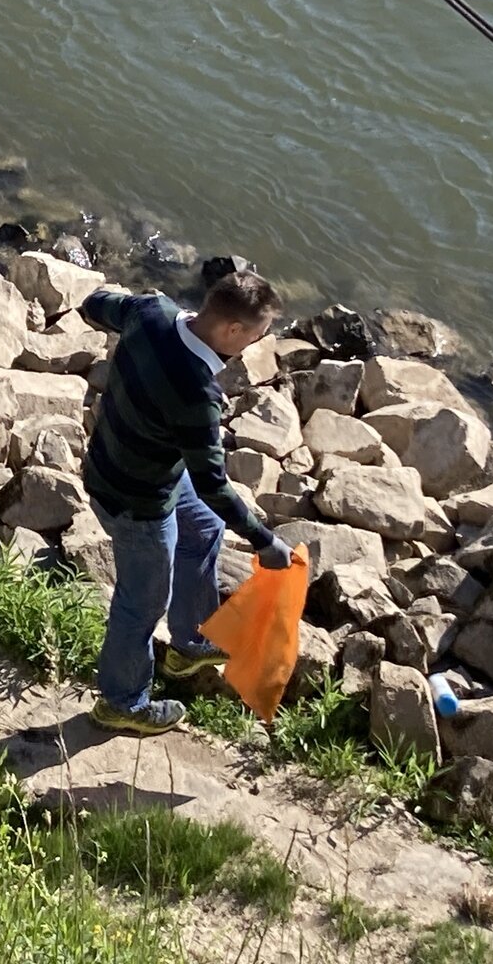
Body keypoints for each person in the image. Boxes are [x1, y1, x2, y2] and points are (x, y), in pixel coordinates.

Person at [79, 270, 295, 736]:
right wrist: (263, 540)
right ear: (232, 331)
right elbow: (214, 483)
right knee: (141, 604)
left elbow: (95, 303)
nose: (259, 342)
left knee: (202, 529)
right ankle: (122, 703)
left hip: (122, 462)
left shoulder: (151, 311)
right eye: (257, 335)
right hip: (137, 502)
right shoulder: (199, 394)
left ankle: (188, 644)